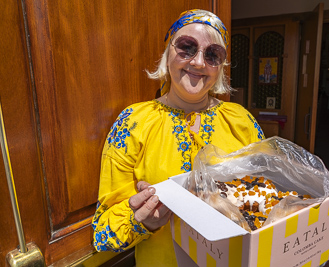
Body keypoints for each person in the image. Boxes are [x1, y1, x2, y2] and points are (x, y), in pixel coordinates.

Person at [91, 9, 265, 267]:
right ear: (167, 53)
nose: (198, 62)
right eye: (186, 47)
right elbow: (102, 234)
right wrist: (142, 220)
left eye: (212, 54)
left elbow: (269, 198)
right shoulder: (133, 123)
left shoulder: (241, 120)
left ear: (220, 67)